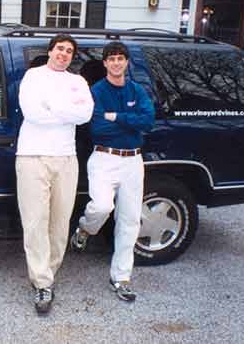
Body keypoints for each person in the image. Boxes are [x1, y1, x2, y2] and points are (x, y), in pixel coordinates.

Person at [71, 41, 155, 302]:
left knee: (129, 220)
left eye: (121, 58)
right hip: (104, 158)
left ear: (127, 62)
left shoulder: (137, 90)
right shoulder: (96, 91)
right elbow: (98, 129)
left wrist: (115, 117)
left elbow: (148, 121)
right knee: (102, 207)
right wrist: (128, 122)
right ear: (105, 63)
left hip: (133, 161)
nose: (117, 63)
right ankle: (85, 229)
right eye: (112, 59)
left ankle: (121, 278)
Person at [16, 34, 94, 314]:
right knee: (36, 221)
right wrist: (66, 112)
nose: (63, 53)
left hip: (66, 157)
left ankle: (48, 271)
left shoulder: (77, 82)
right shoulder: (33, 77)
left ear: (73, 56)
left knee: (60, 223)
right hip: (32, 156)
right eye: (59, 48)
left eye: (69, 50)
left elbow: (85, 115)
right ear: (50, 51)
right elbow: (32, 112)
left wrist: (53, 106)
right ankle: (42, 282)